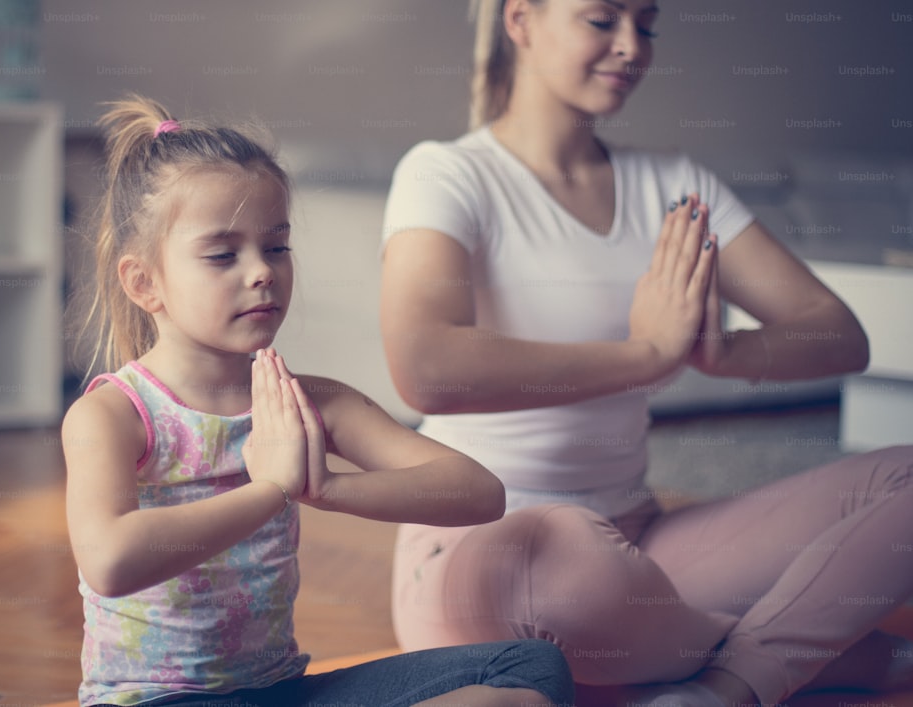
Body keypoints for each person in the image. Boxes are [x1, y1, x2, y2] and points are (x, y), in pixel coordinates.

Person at [378, 1, 913, 706]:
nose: (633, 46)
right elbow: (426, 367)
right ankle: (826, 646)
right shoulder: (444, 173)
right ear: (520, 21)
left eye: (647, 23)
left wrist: (721, 354)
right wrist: (647, 353)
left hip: (640, 544)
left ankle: (725, 684)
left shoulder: (674, 185)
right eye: (603, 19)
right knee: (562, 559)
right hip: (485, 555)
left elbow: (838, 332)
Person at [60, 93, 574, 707]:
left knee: (530, 666)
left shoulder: (309, 405)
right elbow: (109, 562)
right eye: (223, 254)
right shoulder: (113, 415)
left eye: (276, 246)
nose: (262, 272)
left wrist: (323, 487)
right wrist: (268, 491)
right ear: (145, 282)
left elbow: (479, 492)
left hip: (281, 692)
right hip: (156, 701)